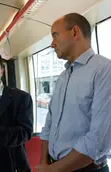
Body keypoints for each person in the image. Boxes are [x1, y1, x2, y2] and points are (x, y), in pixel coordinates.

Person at [36, 13, 111, 172]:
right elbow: (49, 124)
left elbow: (98, 140)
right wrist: (44, 164)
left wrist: (53, 170)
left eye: (55, 35)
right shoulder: (63, 76)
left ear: (75, 32)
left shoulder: (104, 70)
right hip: (54, 165)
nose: (52, 44)